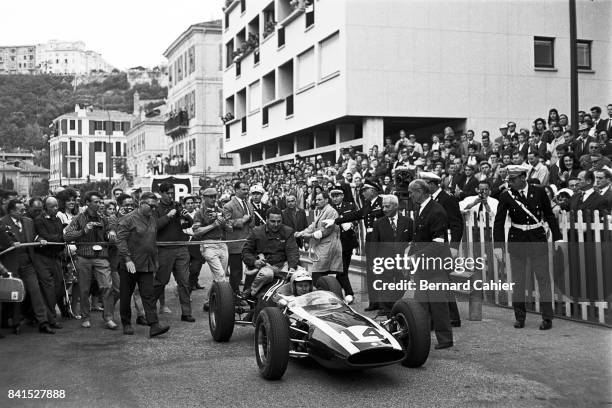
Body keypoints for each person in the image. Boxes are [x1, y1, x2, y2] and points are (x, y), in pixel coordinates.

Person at [493, 165, 562, 331]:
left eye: (513, 179)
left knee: (543, 279)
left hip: (537, 239)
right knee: (518, 281)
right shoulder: (506, 195)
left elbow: (549, 216)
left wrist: (558, 237)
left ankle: (547, 318)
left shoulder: (539, 192)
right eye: (509, 179)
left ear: (523, 177)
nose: (509, 182)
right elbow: (499, 221)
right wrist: (498, 246)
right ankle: (519, 317)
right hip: (517, 240)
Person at [407, 179, 454, 349]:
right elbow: (417, 237)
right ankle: (422, 337)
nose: (410, 195)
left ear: (420, 191)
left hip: (435, 265)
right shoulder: (420, 209)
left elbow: (438, 242)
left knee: (438, 303)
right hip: (422, 265)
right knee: (420, 304)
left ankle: (445, 339)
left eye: (411, 192)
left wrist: (416, 256)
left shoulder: (436, 211)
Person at [116, 192, 169, 338]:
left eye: (155, 206)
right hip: (130, 265)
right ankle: (126, 323)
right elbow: (120, 240)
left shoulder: (152, 219)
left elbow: (151, 241)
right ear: (141, 203)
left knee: (148, 294)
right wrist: (127, 259)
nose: (153, 209)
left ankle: (154, 325)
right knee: (126, 295)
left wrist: (155, 261)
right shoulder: (128, 219)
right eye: (151, 206)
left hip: (146, 264)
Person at [0, 199, 56, 334]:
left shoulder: (28, 222)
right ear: (12, 211)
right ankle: (15, 323)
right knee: (16, 293)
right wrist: (10, 245)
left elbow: (34, 236)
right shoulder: (2, 222)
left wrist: (39, 240)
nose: (24, 212)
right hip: (10, 264)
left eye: (24, 209)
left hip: (27, 263)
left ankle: (43, 322)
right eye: (20, 210)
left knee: (35, 291)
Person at [64, 191, 117, 330]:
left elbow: (111, 228)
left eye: (100, 202)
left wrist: (111, 232)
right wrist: (83, 231)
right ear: (87, 203)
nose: (99, 204)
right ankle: (86, 317)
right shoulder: (78, 218)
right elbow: (67, 236)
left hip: (101, 257)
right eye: (96, 202)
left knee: (107, 286)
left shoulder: (104, 218)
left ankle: (108, 318)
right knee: (84, 289)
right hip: (83, 256)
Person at [421, 171, 463, 327]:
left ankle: (451, 317)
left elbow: (457, 224)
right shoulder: (428, 200)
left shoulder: (447, 199)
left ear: (432, 184)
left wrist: (454, 247)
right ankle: (448, 316)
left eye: (425, 185)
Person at [153, 182, 195, 323]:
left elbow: (188, 224)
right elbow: (155, 227)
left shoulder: (177, 205)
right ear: (161, 193)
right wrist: (169, 216)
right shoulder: (156, 208)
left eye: (172, 193)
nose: (170, 196)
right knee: (161, 281)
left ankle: (186, 313)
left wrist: (187, 216)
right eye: (168, 193)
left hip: (181, 247)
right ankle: (150, 310)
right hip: (164, 248)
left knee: (184, 281)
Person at [369, 194, 412, 315]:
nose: (384, 209)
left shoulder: (408, 222)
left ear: (396, 206)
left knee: (403, 283)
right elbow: (374, 244)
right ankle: (387, 309)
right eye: (383, 207)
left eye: (387, 206)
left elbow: (413, 242)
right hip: (384, 260)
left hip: (401, 260)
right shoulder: (378, 223)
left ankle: (395, 303)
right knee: (384, 284)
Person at [242, 207, 299, 297]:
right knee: (267, 274)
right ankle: (251, 292)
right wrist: (255, 262)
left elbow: (293, 251)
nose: (276, 224)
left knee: (301, 275)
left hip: (283, 265)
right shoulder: (256, 232)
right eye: (273, 221)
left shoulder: (288, 231)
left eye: (279, 221)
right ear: (266, 219)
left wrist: (292, 267)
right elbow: (246, 252)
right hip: (264, 266)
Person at [193, 188, 232, 311]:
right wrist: (213, 225)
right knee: (220, 275)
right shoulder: (199, 213)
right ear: (204, 198)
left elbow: (230, 229)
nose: (213, 199)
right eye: (210, 197)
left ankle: (209, 301)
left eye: (214, 196)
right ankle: (222, 304)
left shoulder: (220, 211)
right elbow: (197, 232)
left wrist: (223, 222)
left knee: (219, 276)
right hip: (208, 244)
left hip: (222, 243)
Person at [295, 192, 343, 284]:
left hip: (329, 247)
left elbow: (326, 230)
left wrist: (309, 236)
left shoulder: (330, 211)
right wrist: (301, 233)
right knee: (320, 274)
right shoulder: (322, 211)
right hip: (323, 247)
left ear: (326, 200)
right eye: (316, 199)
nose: (317, 202)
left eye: (319, 199)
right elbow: (313, 226)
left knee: (318, 274)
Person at [32, 196, 65, 329]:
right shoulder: (39, 220)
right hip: (42, 257)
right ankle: (51, 319)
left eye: (56, 206)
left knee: (58, 288)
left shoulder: (57, 219)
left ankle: (49, 316)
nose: (56, 209)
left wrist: (60, 239)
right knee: (48, 288)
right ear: (46, 207)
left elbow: (58, 238)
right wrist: (61, 238)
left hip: (55, 256)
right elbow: (47, 237)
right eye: (52, 206)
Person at [329, 187, 357, 303]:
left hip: (347, 242)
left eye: (337, 196)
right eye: (333, 196)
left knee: (342, 271)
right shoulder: (330, 209)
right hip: (335, 243)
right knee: (341, 271)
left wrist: (351, 223)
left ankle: (340, 293)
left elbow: (357, 217)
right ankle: (348, 293)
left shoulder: (349, 206)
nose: (335, 199)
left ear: (342, 196)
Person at [224, 181, 254, 294]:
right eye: (243, 189)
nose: (246, 192)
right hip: (236, 243)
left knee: (252, 268)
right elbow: (227, 223)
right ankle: (234, 296)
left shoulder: (249, 204)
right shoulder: (228, 206)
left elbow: (252, 224)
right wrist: (243, 220)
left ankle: (247, 293)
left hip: (249, 243)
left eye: (247, 189)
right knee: (236, 272)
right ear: (236, 190)